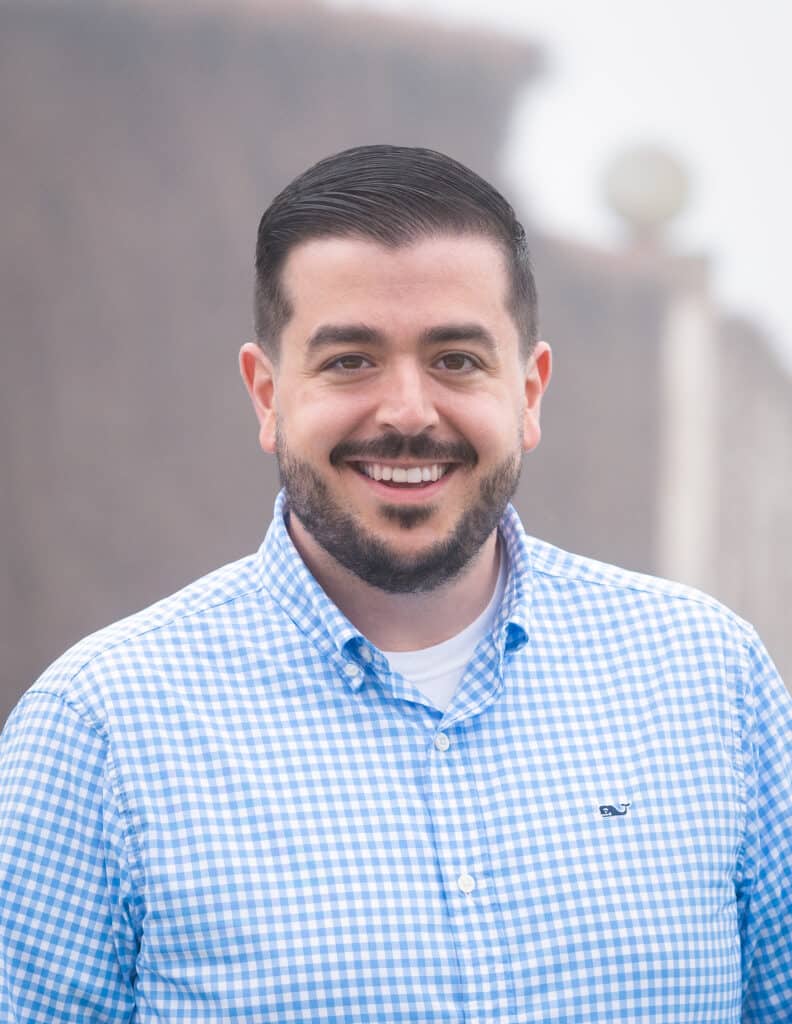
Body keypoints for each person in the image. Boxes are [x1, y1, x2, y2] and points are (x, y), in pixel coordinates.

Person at [0, 145, 789, 1023]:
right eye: (350, 361)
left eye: (456, 359)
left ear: (529, 392)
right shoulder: (97, 734)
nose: (408, 412)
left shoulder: (715, 682)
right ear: (267, 395)